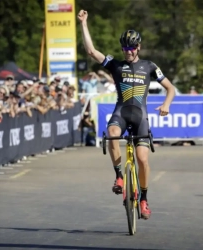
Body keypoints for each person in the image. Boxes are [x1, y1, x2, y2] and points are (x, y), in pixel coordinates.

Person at [78, 9, 175, 220]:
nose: (128, 51)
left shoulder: (149, 66)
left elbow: (171, 88)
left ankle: (144, 199)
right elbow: (92, 52)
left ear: (138, 47)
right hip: (121, 112)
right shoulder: (116, 65)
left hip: (140, 116)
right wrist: (84, 23)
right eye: (125, 48)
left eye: (131, 48)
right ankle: (119, 177)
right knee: (111, 132)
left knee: (142, 159)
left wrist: (166, 104)